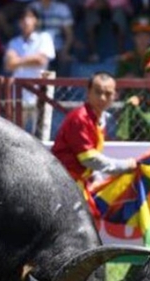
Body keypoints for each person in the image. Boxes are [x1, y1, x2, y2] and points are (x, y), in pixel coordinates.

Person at [52, 72, 137, 209]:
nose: (102, 98)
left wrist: (97, 178)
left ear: (115, 96)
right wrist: (124, 166)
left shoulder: (98, 119)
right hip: (64, 184)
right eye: (98, 92)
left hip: (74, 183)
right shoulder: (81, 118)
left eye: (108, 94)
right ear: (88, 93)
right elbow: (89, 159)